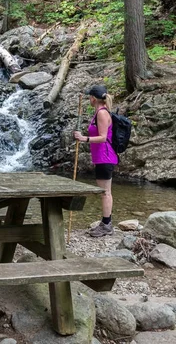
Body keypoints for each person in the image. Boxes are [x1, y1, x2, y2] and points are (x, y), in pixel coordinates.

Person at [73, 85, 118, 237]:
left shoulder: (102, 113)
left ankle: (107, 225)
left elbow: (104, 137)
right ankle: (105, 223)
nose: (88, 99)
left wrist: (83, 138)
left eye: (89, 97)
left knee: (105, 192)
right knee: (105, 192)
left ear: (93, 98)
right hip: (101, 157)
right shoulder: (100, 112)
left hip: (105, 157)